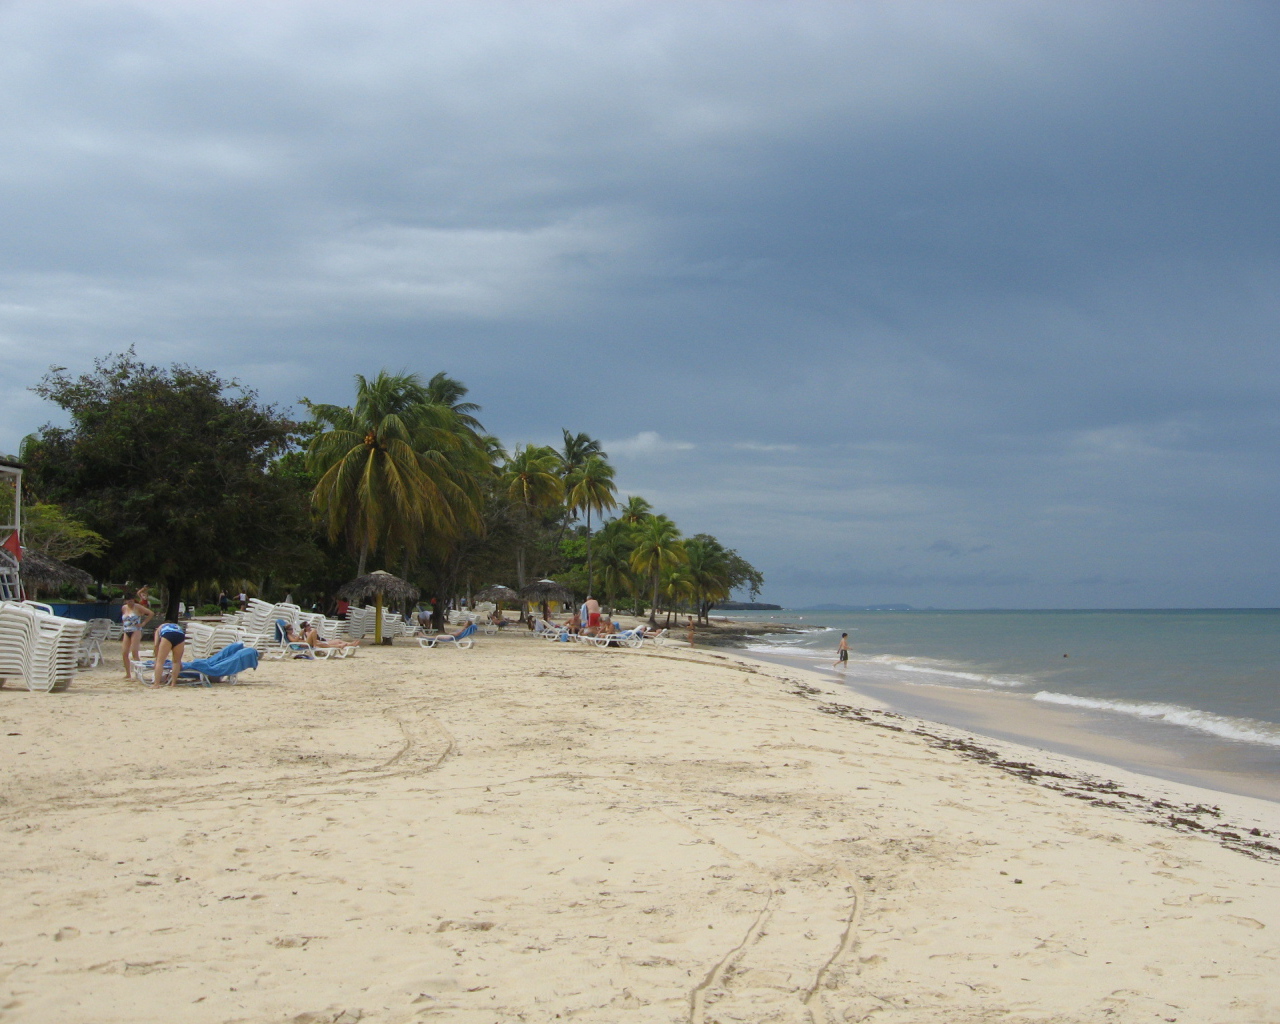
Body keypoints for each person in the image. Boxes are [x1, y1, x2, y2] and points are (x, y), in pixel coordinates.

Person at [119, 591, 154, 679]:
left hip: (136, 630)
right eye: (128, 601)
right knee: (124, 653)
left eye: (131, 601)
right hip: (127, 630)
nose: (130, 602)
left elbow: (151, 613)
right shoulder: (124, 608)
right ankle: (128, 673)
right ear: (125, 601)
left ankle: (138, 674)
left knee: (134, 652)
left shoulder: (137, 607)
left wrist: (143, 623)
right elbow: (124, 618)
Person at [153, 620, 187, 687]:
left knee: (160, 662)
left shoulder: (160, 628)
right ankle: (173, 684)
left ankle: (156, 684)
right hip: (180, 635)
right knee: (176, 662)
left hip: (167, 635)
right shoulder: (177, 626)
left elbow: (156, 644)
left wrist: (156, 657)